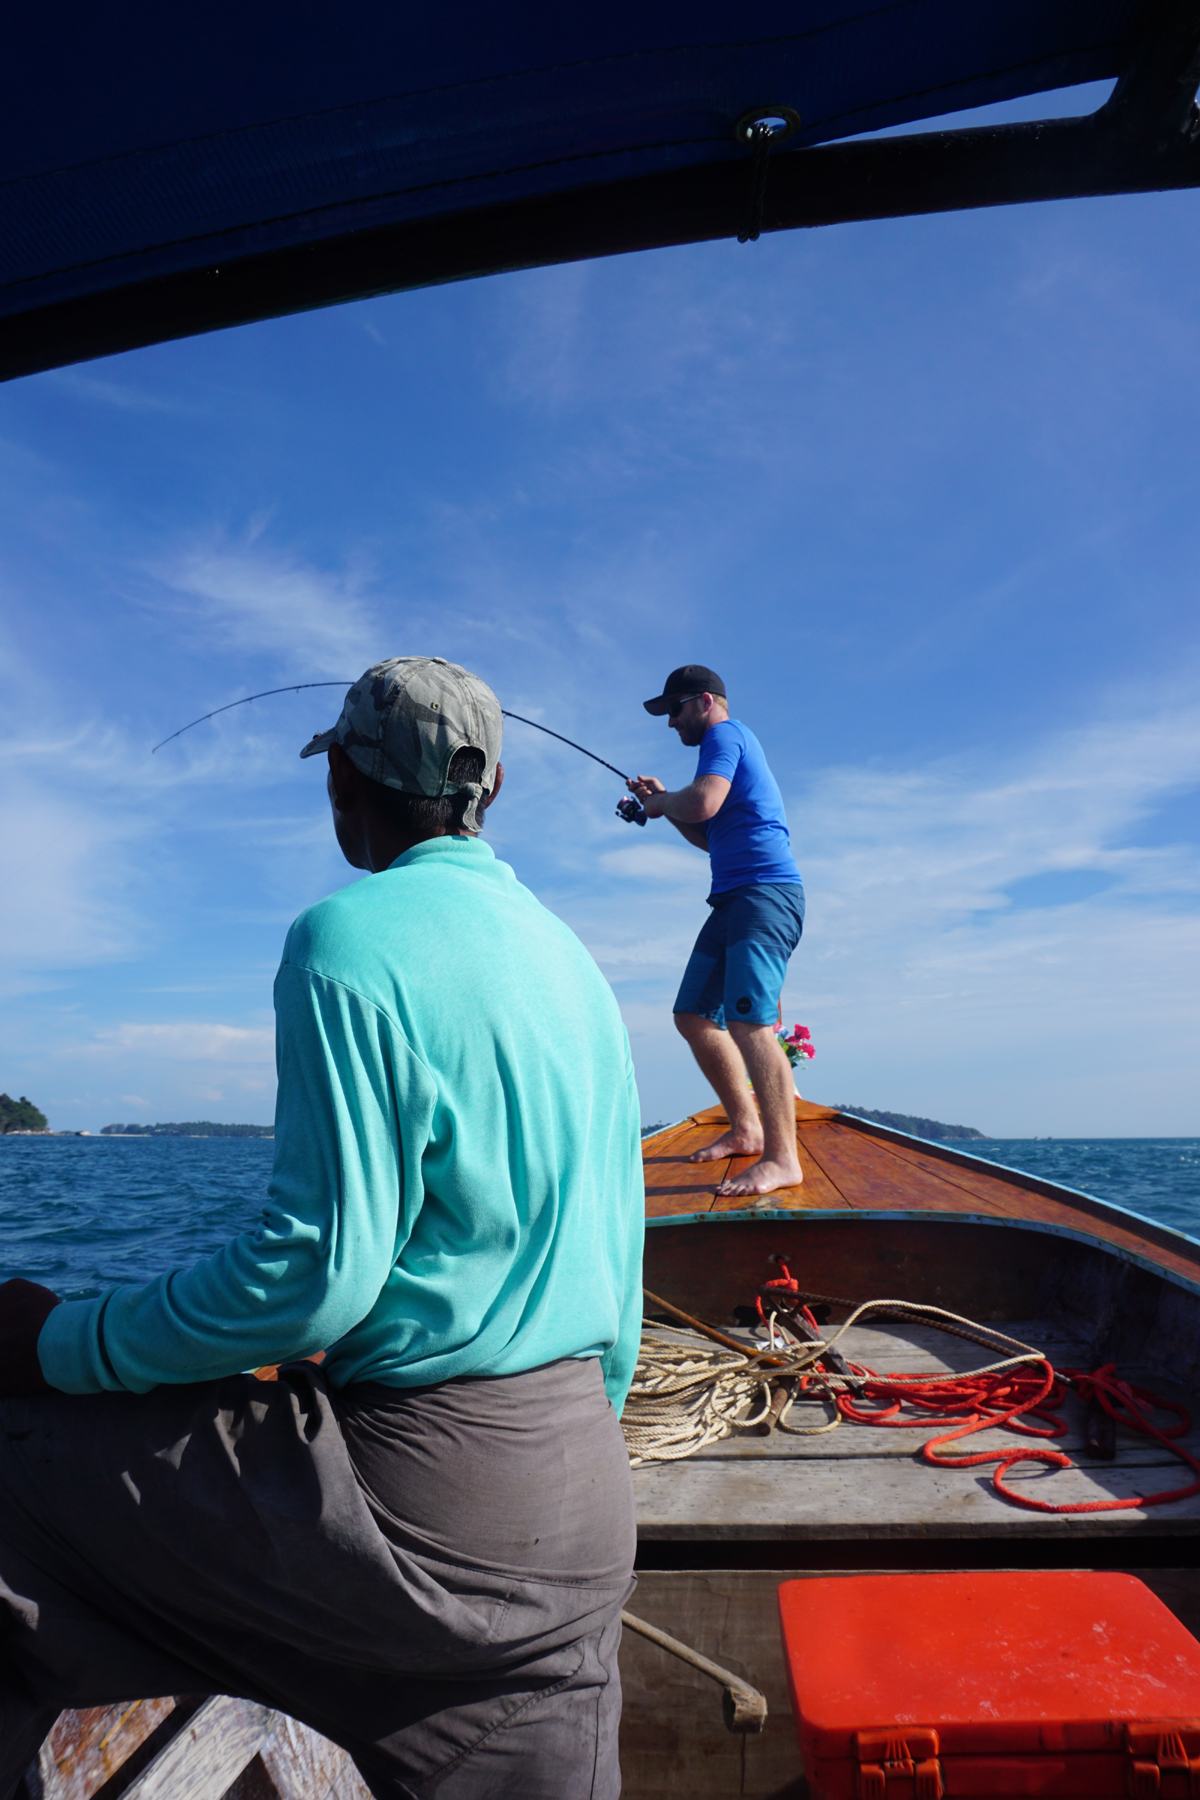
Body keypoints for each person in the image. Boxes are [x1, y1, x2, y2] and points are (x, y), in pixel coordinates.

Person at [0, 657, 644, 1800]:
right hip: (585, 1518)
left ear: (343, 777)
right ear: (493, 785)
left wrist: (60, 1342)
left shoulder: (343, 938)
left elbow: (315, 1280)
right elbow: (622, 1292)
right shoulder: (572, 965)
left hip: (427, 1515)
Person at [628, 664, 805, 1199]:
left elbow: (703, 800)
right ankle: (747, 1127)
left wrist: (662, 802)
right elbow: (710, 832)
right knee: (693, 1014)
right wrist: (664, 807)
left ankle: (782, 1160)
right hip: (733, 899)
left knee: (749, 1023)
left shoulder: (725, 735)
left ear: (705, 702)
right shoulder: (724, 746)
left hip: (764, 896)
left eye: (675, 710)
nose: (670, 724)